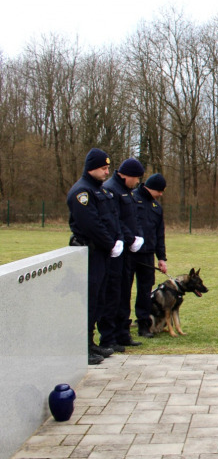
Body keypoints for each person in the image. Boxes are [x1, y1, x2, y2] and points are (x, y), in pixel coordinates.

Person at [66, 148, 123, 365]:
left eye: (108, 167)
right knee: (89, 300)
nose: (107, 172)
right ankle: (82, 347)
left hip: (102, 253)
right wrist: (110, 243)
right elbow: (91, 225)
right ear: (92, 168)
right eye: (103, 168)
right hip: (91, 252)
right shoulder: (82, 192)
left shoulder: (99, 191)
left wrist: (116, 240)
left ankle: (90, 343)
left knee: (99, 299)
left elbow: (110, 219)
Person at [97, 158, 146, 352]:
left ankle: (123, 333)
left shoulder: (128, 191)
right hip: (116, 250)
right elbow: (114, 219)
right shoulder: (111, 190)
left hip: (127, 250)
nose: (137, 183)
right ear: (125, 175)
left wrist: (138, 237)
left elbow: (134, 218)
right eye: (136, 178)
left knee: (125, 291)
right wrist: (128, 238)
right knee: (113, 294)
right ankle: (109, 337)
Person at [130, 173, 168, 338]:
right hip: (129, 253)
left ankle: (144, 325)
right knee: (123, 290)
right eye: (160, 191)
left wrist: (161, 257)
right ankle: (122, 323)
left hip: (147, 255)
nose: (161, 195)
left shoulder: (156, 207)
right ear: (152, 188)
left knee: (145, 291)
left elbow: (160, 234)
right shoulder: (131, 198)